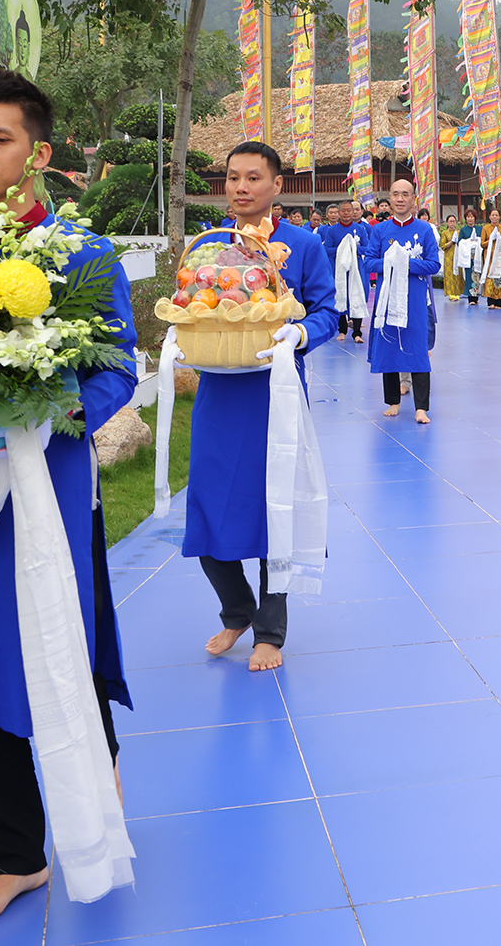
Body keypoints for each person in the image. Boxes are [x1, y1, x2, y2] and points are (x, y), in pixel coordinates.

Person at [0, 71, 135, 927]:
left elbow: (116, 367)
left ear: (37, 152)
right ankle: (14, 855)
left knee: (59, 638)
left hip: (45, 489)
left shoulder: (82, 254)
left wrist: (52, 409)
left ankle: (95, 785)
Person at [184, 142, 337, 672]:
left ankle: (270, 632)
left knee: (276, 508)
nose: (241, 187)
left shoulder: (303, 245)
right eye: (233, 177)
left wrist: (299, 333)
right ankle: (237, 610)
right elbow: (190, 303)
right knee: (207, 502)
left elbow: (327, 312)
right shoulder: (208, 248)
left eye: (253, 177)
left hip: (275, 394)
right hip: (219, 393)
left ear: (277, 185)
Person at [364, 179, 440, 424]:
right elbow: (368, 262)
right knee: (389, 347)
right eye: (395, 194)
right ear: (389, 198)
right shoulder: (380, 230)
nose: (400, 199)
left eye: (405, 194)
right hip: (387, 299)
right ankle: (393, 402)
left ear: (413, 199)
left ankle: (421, 408)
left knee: (418, 349)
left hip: (415, 300)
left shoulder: (424, 230)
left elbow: (434, 264)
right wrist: (390, 261)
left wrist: (406, 263)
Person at [329, 198, 371, 343]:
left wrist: (353, 248)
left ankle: (357, 333)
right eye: (343, 211)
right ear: (339, 213)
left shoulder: (360, 229)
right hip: (339, 269)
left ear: (353, 212)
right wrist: (343, 249)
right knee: (340, 296)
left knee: (356, 296)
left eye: (349, 210)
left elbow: (367, 248)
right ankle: (342, 330)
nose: (346, 213)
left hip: (357, 269)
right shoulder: (332, 230)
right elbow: (327, 249)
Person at [478, 206, 501, 309]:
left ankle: (500, 302)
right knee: (490, 278)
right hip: (489, 258)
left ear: (499, 217)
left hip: (500, 258)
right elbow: (482, 244)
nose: (494, 217)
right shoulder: (485, 228)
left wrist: (499, 239)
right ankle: (491, 302)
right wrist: (491, 240)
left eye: (496, 215)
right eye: (493, 215)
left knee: (500, 278)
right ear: (489, 217)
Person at [454, 207, 482, 305]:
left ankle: (476, 296)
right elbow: (460, 242)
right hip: (468, 257)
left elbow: (483, 240)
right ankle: (471, 298)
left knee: (477, 276)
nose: (470, 219)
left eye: (472, 217)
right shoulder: (463, 230)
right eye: (468, 217)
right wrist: (468, 241)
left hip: (477, 257)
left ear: (475, 218)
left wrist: (477, 240)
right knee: (469, 276)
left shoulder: (480, 229)